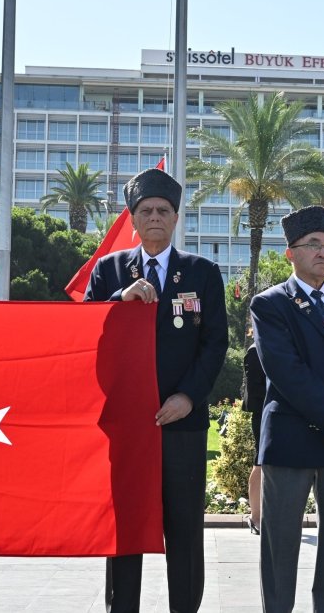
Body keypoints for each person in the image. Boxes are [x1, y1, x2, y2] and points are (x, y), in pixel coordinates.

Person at [84, 167, 228, 613]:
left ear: (175, 218)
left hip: (182, 425)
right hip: (127, 426)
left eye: (163, 211)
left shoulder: (202, 273)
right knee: (125, 529)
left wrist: (187, 397)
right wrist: (118, 301)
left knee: (184, 530)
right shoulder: (108, 270)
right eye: (145, 211)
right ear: (132, 219)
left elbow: (215, 343)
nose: (155, 218)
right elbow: (86, 332)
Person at [250, 205, 324, 613]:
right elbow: (284, 369)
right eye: (313, 244)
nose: (323, 252)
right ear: (290, 253)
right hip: (293, 441)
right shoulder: (270, 304)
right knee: (280, 545)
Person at [242, 327, 267, 535]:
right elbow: (253, 394)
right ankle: (255, 517)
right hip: (263, 416)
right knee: (260, 462)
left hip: (281, 416)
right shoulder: (254, 350)